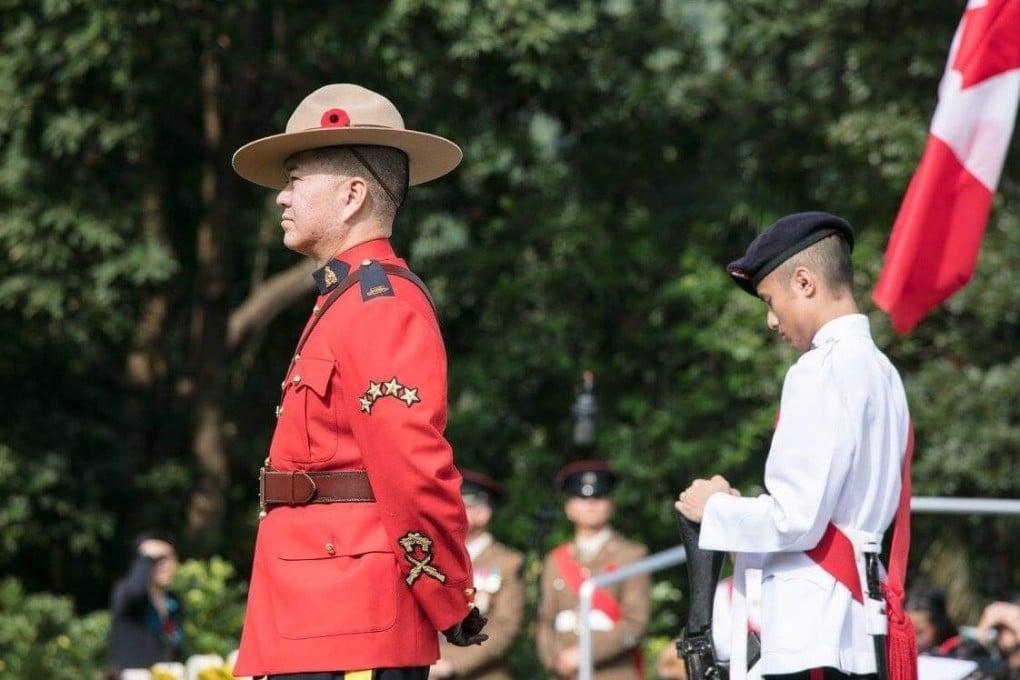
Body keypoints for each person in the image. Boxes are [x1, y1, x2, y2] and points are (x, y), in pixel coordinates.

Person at [229, 83, 487, 679]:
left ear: (352, 196)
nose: (281, 198)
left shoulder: (380, 304)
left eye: (296, 178)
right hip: (319, 609)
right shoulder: (345, 301)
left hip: (353, 619)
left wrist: (450, 596)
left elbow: (413, 468)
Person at [675, 211, 912, 680]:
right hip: (860, 621)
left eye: (770, 299)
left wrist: (716, 508)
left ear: (804, 282)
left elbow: (795, 520)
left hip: (816, 627)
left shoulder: (818, 370)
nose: (770, 320)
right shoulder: (882, 370)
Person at [536, 460, 650, 680]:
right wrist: (556, 661)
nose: (590, 504)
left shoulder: (632, 555)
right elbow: (545, 620)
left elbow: (636, 624)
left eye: (598, 497)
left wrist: (584, 654)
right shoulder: (555, 560)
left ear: (611, 505)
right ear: (568, 508)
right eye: (581, 498)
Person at [430, 469, 525, 680]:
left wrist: (453, 664)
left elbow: (506, 629)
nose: (451, 512)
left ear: (484, 513)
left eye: (463, 505)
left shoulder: (508, 562)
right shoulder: (430, 559)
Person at [107, 532, 184, 675]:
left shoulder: (174, 601)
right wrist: (146, 556)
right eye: (157, 560)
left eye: (169, 559)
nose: (164, 566)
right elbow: (134, 590)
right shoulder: (126, 593)